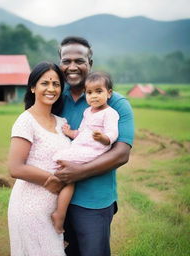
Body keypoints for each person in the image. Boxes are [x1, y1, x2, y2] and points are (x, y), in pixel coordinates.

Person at [45, 36, 134, 256]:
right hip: (53, 197)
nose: (72, 66)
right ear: (60, 64)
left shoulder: (115, 103)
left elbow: (121, 153)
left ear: (90, 64)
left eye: (80, 61)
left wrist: (78, 172)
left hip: (94, 202)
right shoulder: (54, 97)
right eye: (66, 61)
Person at [7, 61, 71, 256]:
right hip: (28, 208)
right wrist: (49, 180)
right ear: (33, 87)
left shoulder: (62, 123)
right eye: (45, 83)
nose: (51, 89)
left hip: (53, 210)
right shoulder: (25, 121)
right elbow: (15, 168)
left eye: (56, 84)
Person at [51, 71, 119, 234]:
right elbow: (81, 132)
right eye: (89, 93)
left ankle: (59, 212)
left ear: (109, 93)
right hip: (80, 147)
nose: (94, 96)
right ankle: (56, 202)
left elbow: (113, 134)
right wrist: (69, 133)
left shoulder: (110, 113)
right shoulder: (88, 112)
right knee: (62, 163)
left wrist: (103, 138)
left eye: (99, 91)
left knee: (59, 160)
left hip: (95, 151)